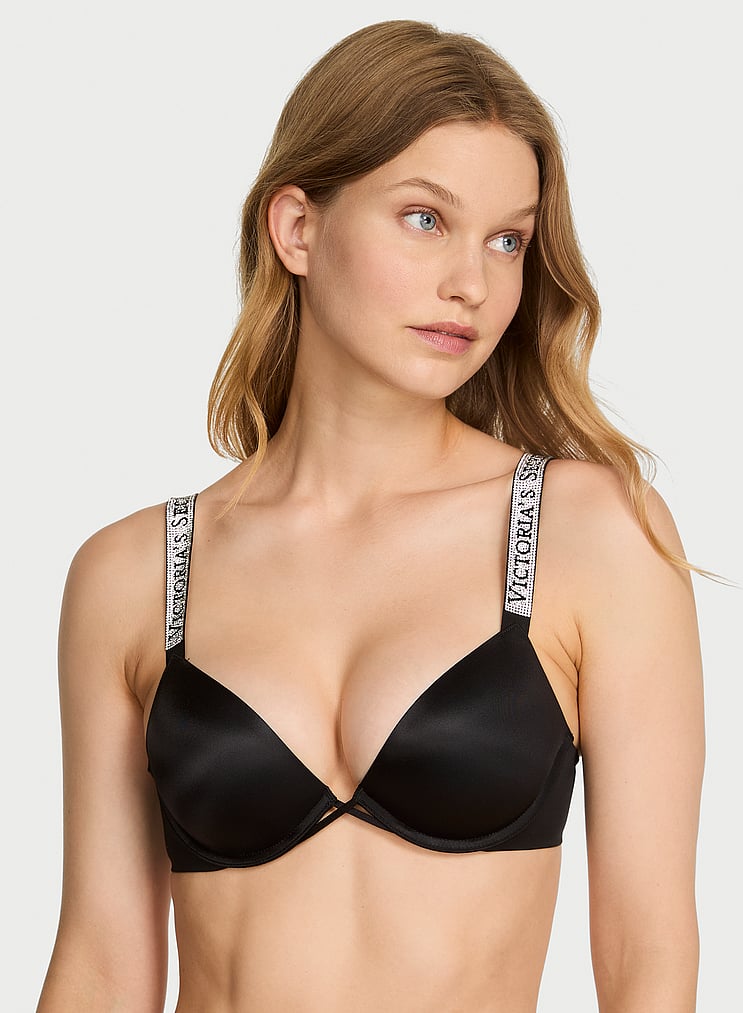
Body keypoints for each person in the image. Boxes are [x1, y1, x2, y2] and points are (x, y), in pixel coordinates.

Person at [37, 19, 705, 1013]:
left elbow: (648, 957)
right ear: (297, 229)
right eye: (425, 218)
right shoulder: (135, 573)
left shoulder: (591, 534)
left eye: (508, 239)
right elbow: (99, 964)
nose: (471, 284)